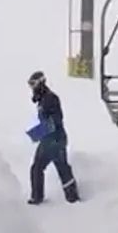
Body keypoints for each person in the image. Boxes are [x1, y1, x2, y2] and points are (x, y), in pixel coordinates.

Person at [27, 71, 80, 205]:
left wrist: (37, 133)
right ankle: (72, 196)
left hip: (52, 141)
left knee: (37, 168)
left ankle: (37, 197)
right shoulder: (44, 99)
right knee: (62, 167)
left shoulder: (49, 99)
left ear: (40, 83)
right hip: (56, 139)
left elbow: (55, 120)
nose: (31, 88)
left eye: (33, 84)